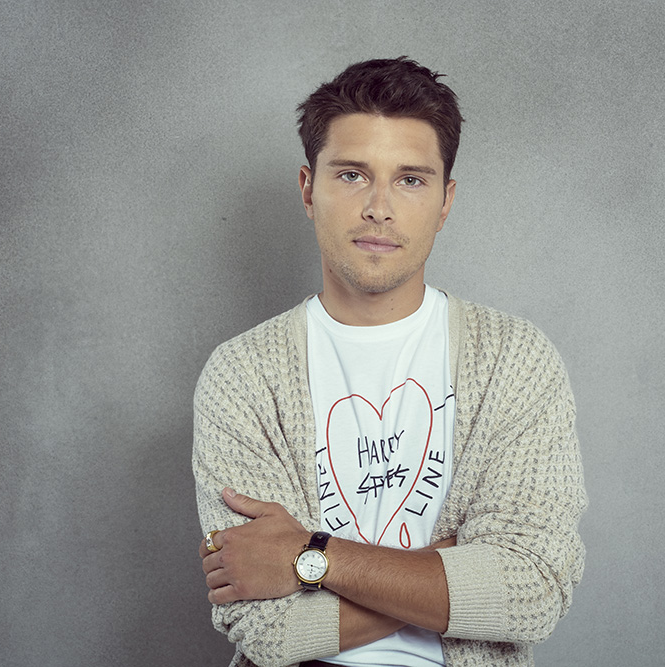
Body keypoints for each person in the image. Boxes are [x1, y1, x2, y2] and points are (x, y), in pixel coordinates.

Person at [193, 56, 586, 667]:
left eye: (411, 180)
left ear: (446, 200)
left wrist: (307, 557)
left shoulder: (514, 359)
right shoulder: (242, 376)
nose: (380, 206)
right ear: (307, 189)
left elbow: (532, 591)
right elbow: (269, 632)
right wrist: (456, 566)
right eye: (352, 175)